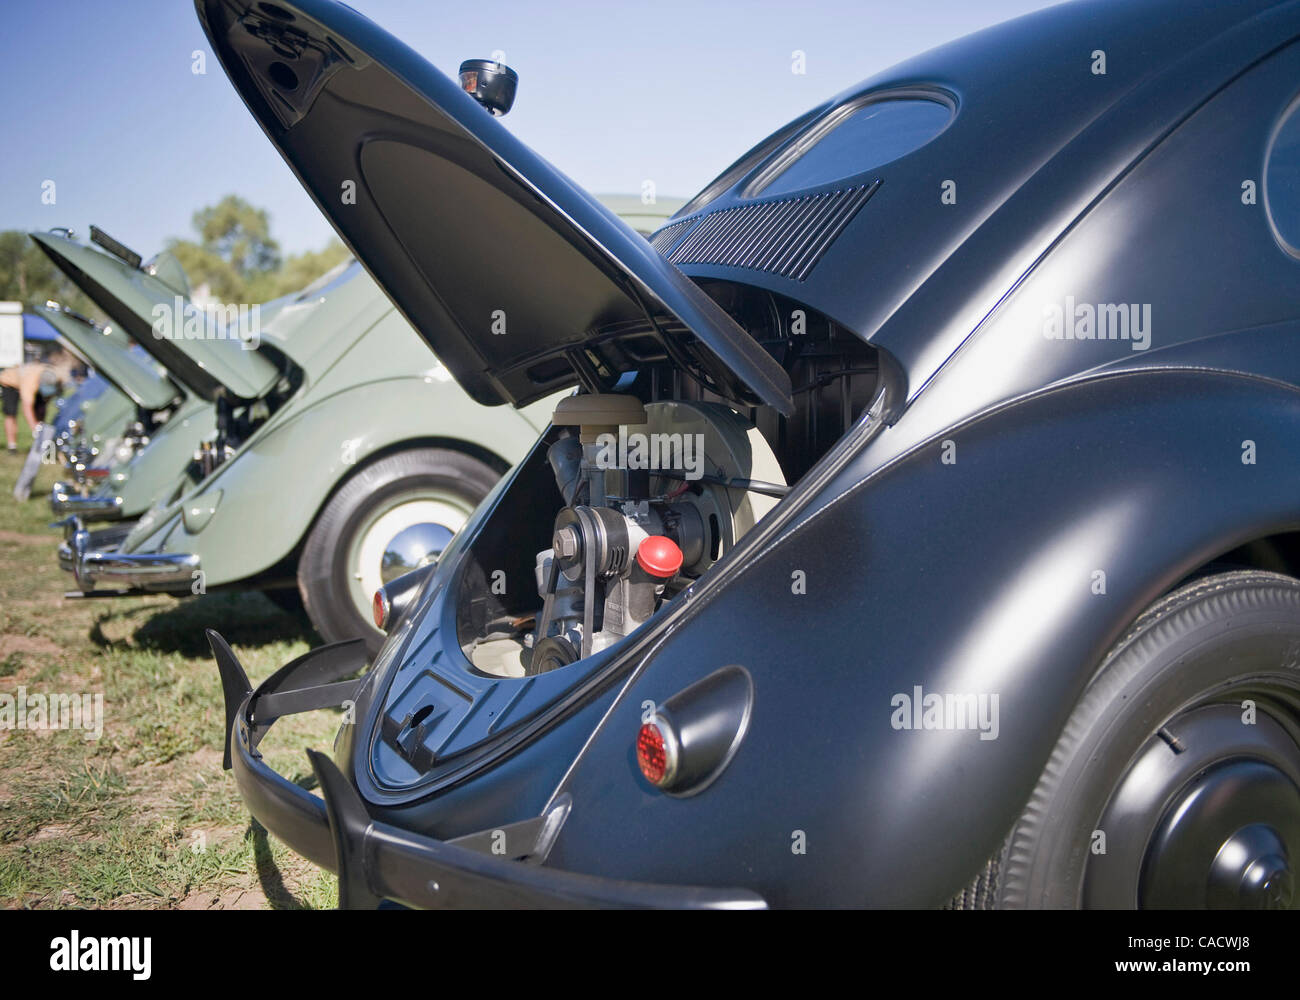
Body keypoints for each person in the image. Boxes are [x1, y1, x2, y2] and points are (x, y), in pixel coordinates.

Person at [1, 348, 73, 454]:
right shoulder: (30, 382)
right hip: (9, 382)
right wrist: (35, 428)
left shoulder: (56, 377)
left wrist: (40, 424)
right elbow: (27, 408)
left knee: (40, 410)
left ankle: (41, 445)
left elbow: (48, 399)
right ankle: (12, 446)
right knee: (11, 413)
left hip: (35, 384)